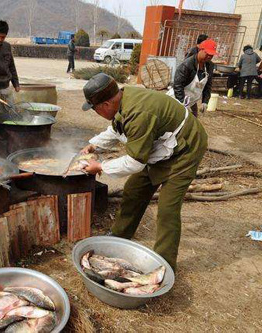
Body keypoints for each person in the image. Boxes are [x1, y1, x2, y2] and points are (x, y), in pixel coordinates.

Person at [80, 73, 208, 270]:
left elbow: (135, 162)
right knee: (134, 190)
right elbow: (117, 129)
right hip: (162, 146)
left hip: (185, 149)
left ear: (105, 105)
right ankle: (120, 235)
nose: (96, 112)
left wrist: (100, 166)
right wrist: (94, 145)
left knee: (167, 209)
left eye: (95, 109)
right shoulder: (122, 99)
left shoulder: (138, 113)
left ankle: (165, 265)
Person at [170, 39, 216, 117]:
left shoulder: (209, 66)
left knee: (193, 121)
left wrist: (205, 101)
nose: (209, 57)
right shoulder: (187, 65)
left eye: (211, 55)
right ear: (200, 50)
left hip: (192, 100)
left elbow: (208, 85)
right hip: (178, 98)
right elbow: (178, 86)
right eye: (207, 53)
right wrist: (184, 103)